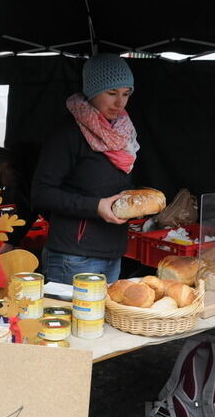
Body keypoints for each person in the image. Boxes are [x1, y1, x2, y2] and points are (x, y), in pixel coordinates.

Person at [32, 52, 138, 284]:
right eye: (111, 93)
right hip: (73, 257)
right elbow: (41, 193)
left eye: (125, 94)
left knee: (100, 322)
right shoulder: (68, 134)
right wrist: (95, 206)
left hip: (113, 253)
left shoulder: (124, 134)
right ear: (92, 91)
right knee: (70, 321)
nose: (119, 103)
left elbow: (114, 186)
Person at [0, 145, 40, 251]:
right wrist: (10, 242)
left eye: (0, 183)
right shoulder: (18, 181)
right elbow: (25, 211)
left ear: (6, 167)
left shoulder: (40, 172)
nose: (3, 187)